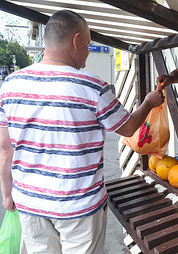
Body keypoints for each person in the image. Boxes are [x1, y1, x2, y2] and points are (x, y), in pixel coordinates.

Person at [0, 10, 164, 254]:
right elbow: (129, 127)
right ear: (76, 41)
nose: (88, 50)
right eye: (88, 43)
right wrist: (149, 102)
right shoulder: (90, 85)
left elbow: (5, 147)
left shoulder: (10, 84)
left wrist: (6, 194)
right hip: (80, 209)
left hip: (30, 203)